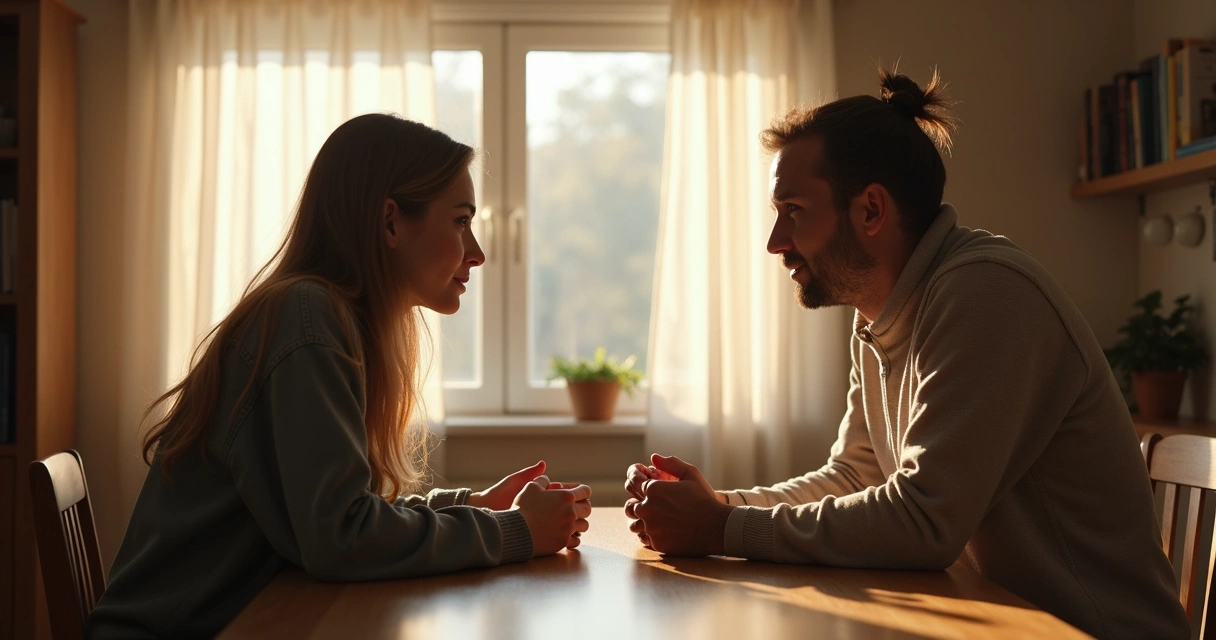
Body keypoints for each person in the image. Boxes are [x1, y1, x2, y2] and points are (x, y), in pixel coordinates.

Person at [624, 69, 1189, 639]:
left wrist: (722, 527)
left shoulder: (985, 291)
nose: (776, 240)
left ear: (871, 210)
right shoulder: (883, 309)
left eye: (793, 209)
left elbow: (923, 519)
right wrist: (717, 505)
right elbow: (853, 477)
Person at [89, 114, 592, 639]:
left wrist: (468, 507)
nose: (478, 252)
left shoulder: (322, 316)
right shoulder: (308, 319)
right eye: (461, 220)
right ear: (391, 222)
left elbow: (336, 514)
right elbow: (341, 537)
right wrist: (513, 530)